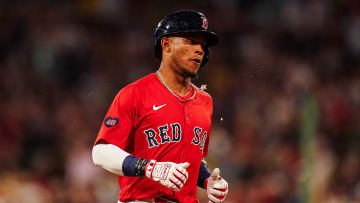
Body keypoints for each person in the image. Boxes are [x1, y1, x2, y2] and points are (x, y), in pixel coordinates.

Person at [92, 10, 228, 203]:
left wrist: (208, 181)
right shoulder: (135, 93)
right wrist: (150, 168)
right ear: (166, 44)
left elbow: (191, 160)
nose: (199, 49)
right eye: (191, 41)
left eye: (203, 45)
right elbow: (100, 153)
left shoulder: (205, 101)